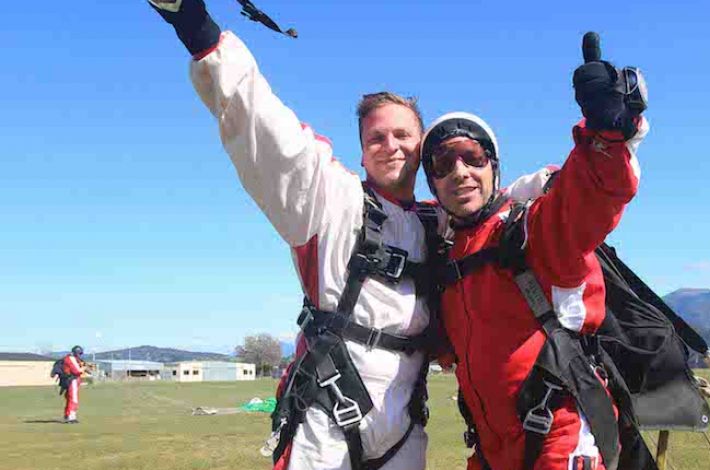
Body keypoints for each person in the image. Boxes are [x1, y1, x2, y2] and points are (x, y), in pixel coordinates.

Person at [147, 2, 553, 469]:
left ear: (422, 151)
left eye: (403, 135)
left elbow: (496, 202)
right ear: (361, 154)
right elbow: (263, 123)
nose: (391, 146)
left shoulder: (437, 224)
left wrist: (556, 179)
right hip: (324, 425)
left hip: (403, 431)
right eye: (376, 139)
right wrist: (197, 30)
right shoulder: (328, 201)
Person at [422, 34, 649, 470]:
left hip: (559, 437)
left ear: (494, 165)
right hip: (491, 451)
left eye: (472, 157)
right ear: (431, 182)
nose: (460, 172)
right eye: (442, 164)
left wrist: (607, 135)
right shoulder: (445, 258)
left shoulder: (532, 229)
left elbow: (590, 198)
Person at [61, 345, 86, 424]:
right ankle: (71, 417)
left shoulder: (72, 359)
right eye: (79, 353)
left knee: (70, 398)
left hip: (71, 380)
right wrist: (84, 368)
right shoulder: (71, 359)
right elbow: (77, 371)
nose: (80, 355)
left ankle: (67, 415)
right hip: (72, 380)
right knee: (73, 398)